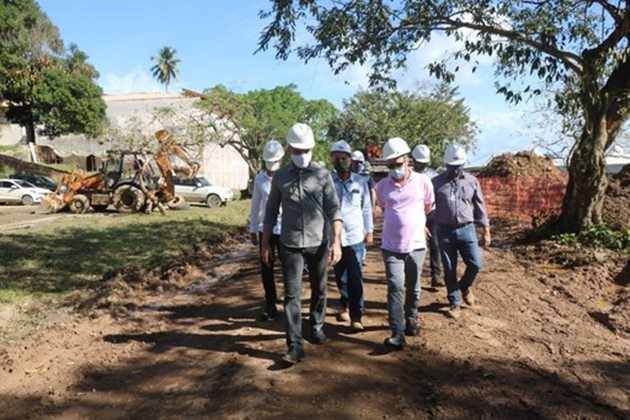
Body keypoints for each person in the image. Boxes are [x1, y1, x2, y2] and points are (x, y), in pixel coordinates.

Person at [262, 123, 342, 365]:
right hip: (290, 243)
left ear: (312, 148)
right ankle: (295, 345)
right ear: (289, 149)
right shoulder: (280, 177)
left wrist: (336, 242)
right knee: (292, 294)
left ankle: (316, 327)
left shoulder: (322, 174)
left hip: (319, 241)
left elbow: (334, 209)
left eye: (305, 150)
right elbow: (270, 212)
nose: (301, 154)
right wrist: (265, 245)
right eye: (297, 150)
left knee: (320, 289)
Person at [376, 137, 434, 350]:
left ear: (407, 161)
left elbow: (428, 207)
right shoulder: (382, 186)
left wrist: (417, 223)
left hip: (417, 245)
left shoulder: (423, 182)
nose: (394, 169)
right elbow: (383, 208)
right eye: (390, 166)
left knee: (413, 287)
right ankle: (397, 332)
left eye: (398, 165)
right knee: (395, 287)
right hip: (391, 247)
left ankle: (411, 319)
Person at [432, 144, 491, 319]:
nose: (455, 170)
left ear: (463, 164)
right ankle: (454, 302)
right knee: (449, 268)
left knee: (475, 264)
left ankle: (464, 285)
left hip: (467, 229)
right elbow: (426, 205)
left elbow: (480, 206)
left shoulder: (472, 181)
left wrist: (486, 230)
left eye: (458, 166)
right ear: (446, 165)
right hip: (444, 230)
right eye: (452, 166)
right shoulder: (436, 182)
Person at [330, 140, 374, 331]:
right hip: (335, 238)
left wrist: (369, 230)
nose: (341, 161)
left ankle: (357, 314)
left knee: (355, 276)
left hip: (355, 236)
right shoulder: (327, 183)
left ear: (350, 160)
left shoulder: (361, 182)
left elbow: (366, 209)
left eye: (344, 158)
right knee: (341, 277)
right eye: (337, 158)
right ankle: (345, 303)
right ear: (331, 159)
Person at [249, 140, 285, 321]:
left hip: (286, 229)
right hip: (267, 230)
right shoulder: (260, 179)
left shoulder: (288, 176)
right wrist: (253, 228)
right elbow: (255, 204)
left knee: (289, 268)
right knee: (266, 267)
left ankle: (290, 303)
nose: (272, 167)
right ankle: (270, 304)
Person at [411, 144, 444, 288]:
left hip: (431, 213)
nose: (421, 165)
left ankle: (435, 275)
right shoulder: (408, 175)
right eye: (419, 162)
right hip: (414, 214)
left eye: (424, 163)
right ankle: (411, 274)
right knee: (412, 244)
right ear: (413, 160)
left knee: (435, 244)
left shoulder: (433, 175)